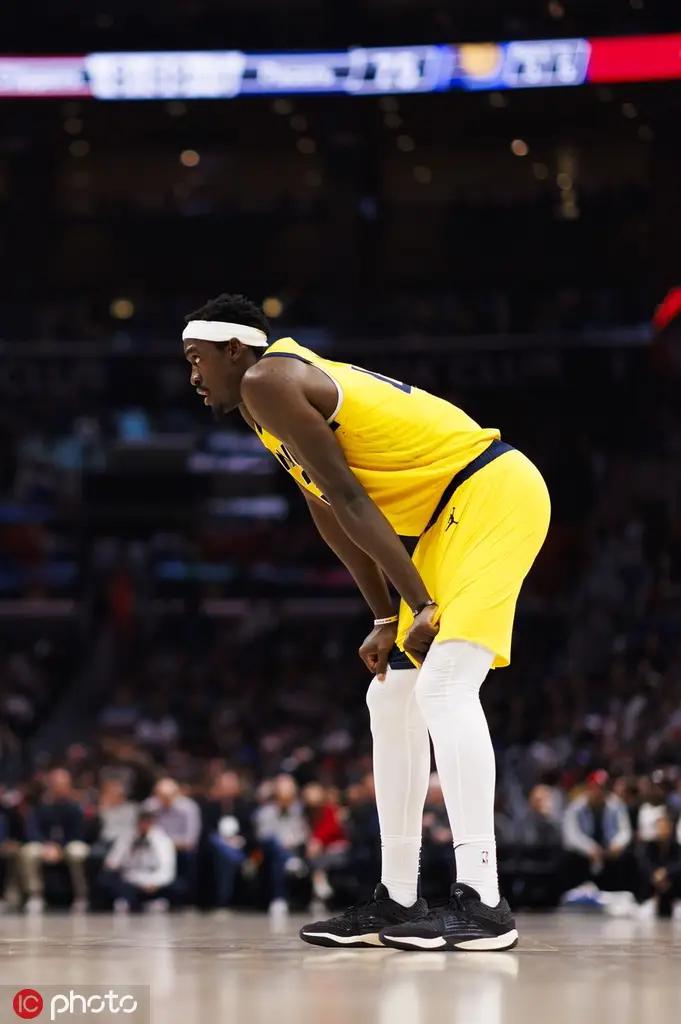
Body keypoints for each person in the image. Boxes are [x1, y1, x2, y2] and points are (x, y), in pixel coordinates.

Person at [182, 293, 550, 950]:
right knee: (391, 696)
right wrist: (386, 613)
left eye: (196, 358)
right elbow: (330, 510)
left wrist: (421, 602)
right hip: (443, 522)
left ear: (234, 350)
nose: (192, 376)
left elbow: (352, 499)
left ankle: (484, 903)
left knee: (444, 686)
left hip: (491, 492)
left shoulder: (269, 380)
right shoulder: (263, 406)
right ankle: (397, 897)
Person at [20, 768, 90, 914]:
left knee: (77, 851)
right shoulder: (40, 805)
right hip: (45, 846)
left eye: (64, 784)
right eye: (57, 784)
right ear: (50, 785)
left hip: (67, 845)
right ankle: (35, 895)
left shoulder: (75, 807)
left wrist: (60, 847)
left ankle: (81, 896)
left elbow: (79, 833)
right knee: (28, 851)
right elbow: (32, 831)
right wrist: (47, 845)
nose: (60, 788)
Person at [562, 770, 635, 894]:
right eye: (595, 787)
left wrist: (617, 844)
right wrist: (589, 848)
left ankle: (617, 894)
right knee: (569, 858)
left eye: (602, 787)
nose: (599, 791)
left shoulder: (616, 804)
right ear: (589, 787)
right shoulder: (576, 807)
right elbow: (571, 835)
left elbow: (625, 831)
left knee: (627, 858)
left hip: (609, 852)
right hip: (584, 854)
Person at [102, 808, 176, 913]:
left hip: (154, 882)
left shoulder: (162, 840)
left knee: (176, 887)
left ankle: (151, 902)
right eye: (142, 823)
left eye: (148, 823)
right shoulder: (127, 837)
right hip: (131, 880)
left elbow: (167, 867)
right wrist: (128, 852)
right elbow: (112, 862)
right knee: (107, 881)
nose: (144, 826)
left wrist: (154, 883)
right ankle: (131, 902)